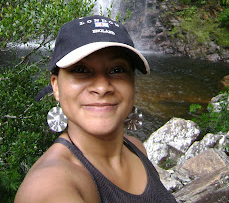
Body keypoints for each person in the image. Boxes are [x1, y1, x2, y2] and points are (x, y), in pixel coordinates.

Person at [15, 15, 177, 203]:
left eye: (117, 70)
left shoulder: (137, 149)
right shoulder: (48, 185)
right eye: (81, 70)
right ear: (56, 87)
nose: (102, 87)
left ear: (133, 83)